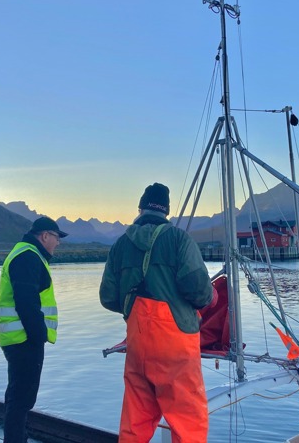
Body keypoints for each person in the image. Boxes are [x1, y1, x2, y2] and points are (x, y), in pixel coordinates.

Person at [99, 183, 216, 442]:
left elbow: (107, 298)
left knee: (135, 422)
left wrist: (134, 307)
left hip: (138, 345)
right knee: (187, 423)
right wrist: (210, 296)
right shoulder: (179, 240)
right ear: (166, 211)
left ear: (140, 209)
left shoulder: (120, 245)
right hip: (176, 348)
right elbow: (201, 293)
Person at [0, 216, 67, 443]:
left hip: (19, 338)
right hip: (24, 340)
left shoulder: (26, 253)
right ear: (45, 236)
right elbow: (26, 302)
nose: (58, 243)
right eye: (56, 237)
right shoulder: (28, 256)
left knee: (18, 396)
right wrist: (39, 336)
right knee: (21, 399)